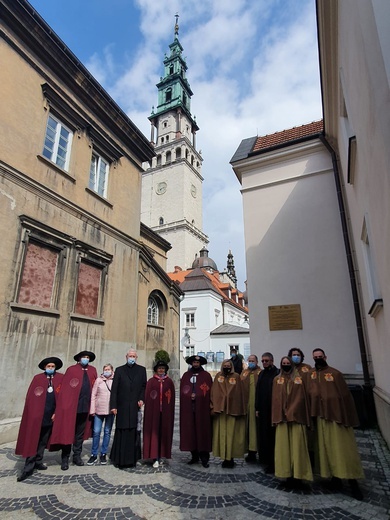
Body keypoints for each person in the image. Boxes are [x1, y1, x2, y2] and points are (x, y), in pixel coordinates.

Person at [308, 348, 364, 500]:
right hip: (320, 416)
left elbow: (345, 396)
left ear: (325, 357)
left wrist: (346, 416)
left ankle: (353, 481)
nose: (318, 359)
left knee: (343, 449)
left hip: (336, 417)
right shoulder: (311, 374)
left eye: (320, 356)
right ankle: (334, 478)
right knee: (326, 448)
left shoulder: (335, 374)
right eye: (315, 357)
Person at [15, 357, 64, 482]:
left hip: (50, 415)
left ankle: (38, 460)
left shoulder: (60, 378)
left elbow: (62, 397)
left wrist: (56, 412)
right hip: (38, 416)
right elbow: (31, 398)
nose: (51, 368)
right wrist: (34, 413)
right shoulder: (38, 378)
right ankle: (28, 467)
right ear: (44, 367)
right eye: (49, 366)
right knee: (33, 440)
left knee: (43, 440)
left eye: (53, 366)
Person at [50, 351, 97, 470]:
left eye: (87, 357)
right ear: (79, 359)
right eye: (84, 357)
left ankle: (77, 456)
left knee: (79, 434)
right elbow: (65, 389)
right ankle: (65, 458)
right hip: (72, 407)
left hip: (85, 407)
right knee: (68, 431)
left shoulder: (92, 370)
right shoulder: (71, 370)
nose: (85, 359)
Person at [272, 356, 313, 487]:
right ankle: (286, 475)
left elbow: (301, 398)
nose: (286, 365)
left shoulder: (299, 380)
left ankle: (300, 476)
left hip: (296, 419)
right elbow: (275, 399)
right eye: (283, 363)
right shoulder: (277, 379)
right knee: (284, 448)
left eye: (288, 363)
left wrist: (292, 410)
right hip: (282, 419)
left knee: (298, 447)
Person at [110, 349, 146, 468]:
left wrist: (141, 399)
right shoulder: (119, 370)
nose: (132, 358)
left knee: (133, 432)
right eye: (130, 356)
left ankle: (132, 459)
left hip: (134, 407)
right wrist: (113, 406)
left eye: (133, 356)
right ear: (126, 357)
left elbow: (143, 387)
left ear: (137, 357)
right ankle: (119, 459)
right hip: (122, 406)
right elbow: (114, 389)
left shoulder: (142, 370)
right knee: (122, 431)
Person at [211, 358, 246, 468]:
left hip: (232, 410)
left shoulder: (236, 377)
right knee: (222, 434)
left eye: (228, 365)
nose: (227, 367)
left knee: (232, 435)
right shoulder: (218, 376)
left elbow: (239, 392)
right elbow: (214, 391)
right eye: (225, 365)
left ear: (231, 366)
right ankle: (223, 457)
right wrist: (215, 405)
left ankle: (230, 457)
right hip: (220, 411)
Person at [180, 355, 213, 468]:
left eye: (197, 363)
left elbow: (208, 391)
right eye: (194, 362)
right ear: (191, 363)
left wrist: (198, 396)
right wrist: (189, 395)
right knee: (191, 432)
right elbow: (184, 390)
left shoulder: (206, 376)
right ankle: (194, 455)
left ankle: (204, 458)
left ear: (200, 364)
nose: (196, 364)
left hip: (202, 409)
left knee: (202, 431)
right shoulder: (186, 375)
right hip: (189, 409)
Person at [143, 360, 175, 468]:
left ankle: (162, 455)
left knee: (163, 433)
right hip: (154, 412)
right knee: (154, 433)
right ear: (156, 370)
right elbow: (148, 396)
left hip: (165, 411)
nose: (161, 370)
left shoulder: (169, 382)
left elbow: (172, 397)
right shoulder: (151, 381)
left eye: (163, 368)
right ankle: (154, 457)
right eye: (159, 368)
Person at [255, 352, 279, 473]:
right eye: (263, 361)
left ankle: (274, 462)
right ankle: (265, 459)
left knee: (273, 437)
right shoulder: (262, 374)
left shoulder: (277, 373)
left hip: (273, 409)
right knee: (264, 436)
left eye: (266, 361)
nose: (264, 363)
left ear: (272, 361)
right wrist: (257, 408)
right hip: (263, 410)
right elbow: (258, 391)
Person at [87, 364, 115, 466]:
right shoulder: (98, 380)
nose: (106, 371)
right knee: (96, 432)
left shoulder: (115, 380)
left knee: (107, 432)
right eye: (105, 369)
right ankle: (94, 454)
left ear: (112, 370)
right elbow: (93, 395)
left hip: (110, 411)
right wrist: (92, 409)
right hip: (99, 410)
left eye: (108, 369)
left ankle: (103, 453)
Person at [240, 354, 262, 463]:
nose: (251, 362)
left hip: (256, 407)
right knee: (247, 429)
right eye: (250, 360)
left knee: (256, 429)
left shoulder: (260, 373)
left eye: (253, 360)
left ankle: (258, 452)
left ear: (257, 361)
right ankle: (250, 452)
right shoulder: (244, 373)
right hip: (246, 405)